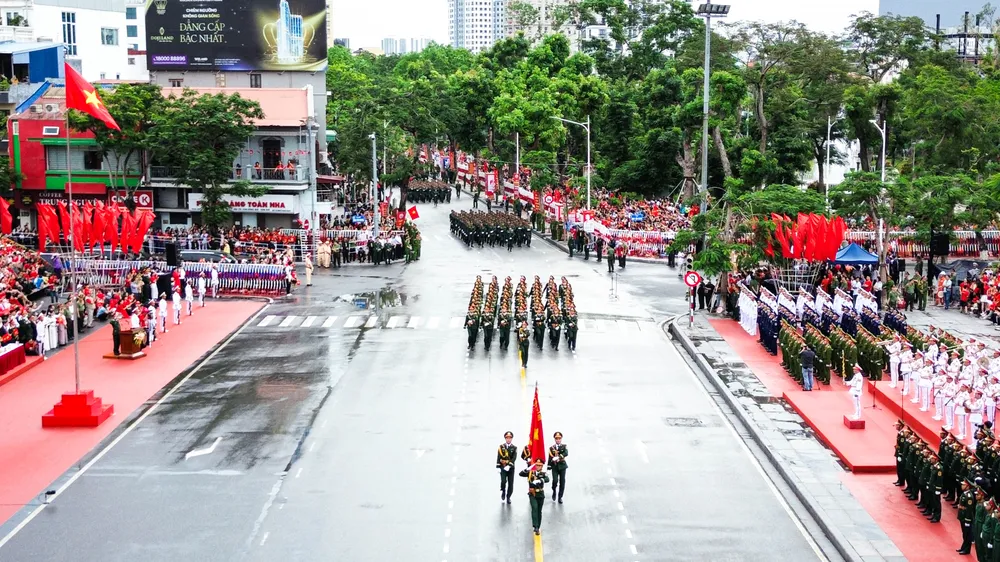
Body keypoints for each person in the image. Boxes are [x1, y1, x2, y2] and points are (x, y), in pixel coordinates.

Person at [519, 458, 550, 535]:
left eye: (540, 466)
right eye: (537, 465)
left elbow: (547, 479)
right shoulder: (531, 473)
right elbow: (521, 474)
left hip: (540, 494)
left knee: (539, 511)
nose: (538, 467)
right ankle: (535, 526)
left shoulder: (543, 473)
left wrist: (541, 480)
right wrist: (527, 469)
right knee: (534, 508)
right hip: (532, 494)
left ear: (542, 466)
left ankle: (538, 527)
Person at [496, 431, 517, 504]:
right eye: (507, 438)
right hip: (503, 467)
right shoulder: (501, 447)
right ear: (505, 438)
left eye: (510, 438)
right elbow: (499, 457)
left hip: (510, 468)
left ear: (512, 439)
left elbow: (514, 458)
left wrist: (509, 465)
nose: (508, 439)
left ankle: (508, 497)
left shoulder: (514, 448)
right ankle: (503, 491)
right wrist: (498, 466)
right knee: (503, 481)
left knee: (511, 484)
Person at [548, 432, 568, 504]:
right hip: (555, 466)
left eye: (559, 438)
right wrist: (549, 465)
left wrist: (559, 457)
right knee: (555, 480)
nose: (558, 440)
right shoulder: (551, 448)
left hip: (562, 466)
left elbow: (566, 453)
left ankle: (560, 497)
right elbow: (550, 457)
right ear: (555, 439)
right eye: (556, 438)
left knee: (562, 482)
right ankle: (554, 490)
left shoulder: (564, 446)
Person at [957, 479, 976, 554]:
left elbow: (969, 510)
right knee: (964, 533)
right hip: (962, 517)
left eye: (964, 485)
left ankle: (967, 549)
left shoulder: (969, 496)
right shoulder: (965, 493)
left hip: (966, 518)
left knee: (967, 535)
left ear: (968, 486)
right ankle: (963, 547)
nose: (962, 486)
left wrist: (967, 520)